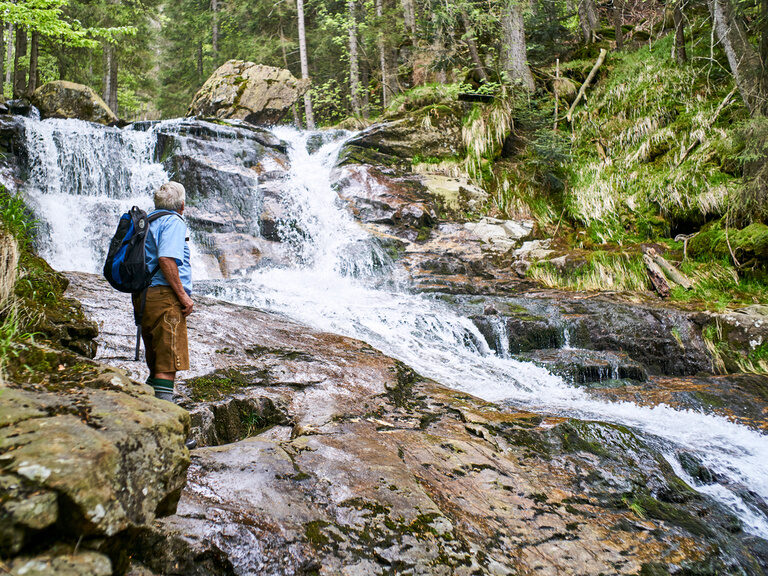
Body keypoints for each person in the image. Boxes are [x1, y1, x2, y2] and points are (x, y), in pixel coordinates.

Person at [133, 181, 194, 402]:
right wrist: (183, 296)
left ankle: (146, 409)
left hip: (144, 296)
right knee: (168, 364)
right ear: (182, 206)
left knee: (157, 361)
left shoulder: (148, 221)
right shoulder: (173, 222)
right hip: (164, 298)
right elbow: (166, 259)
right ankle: (165, 427)